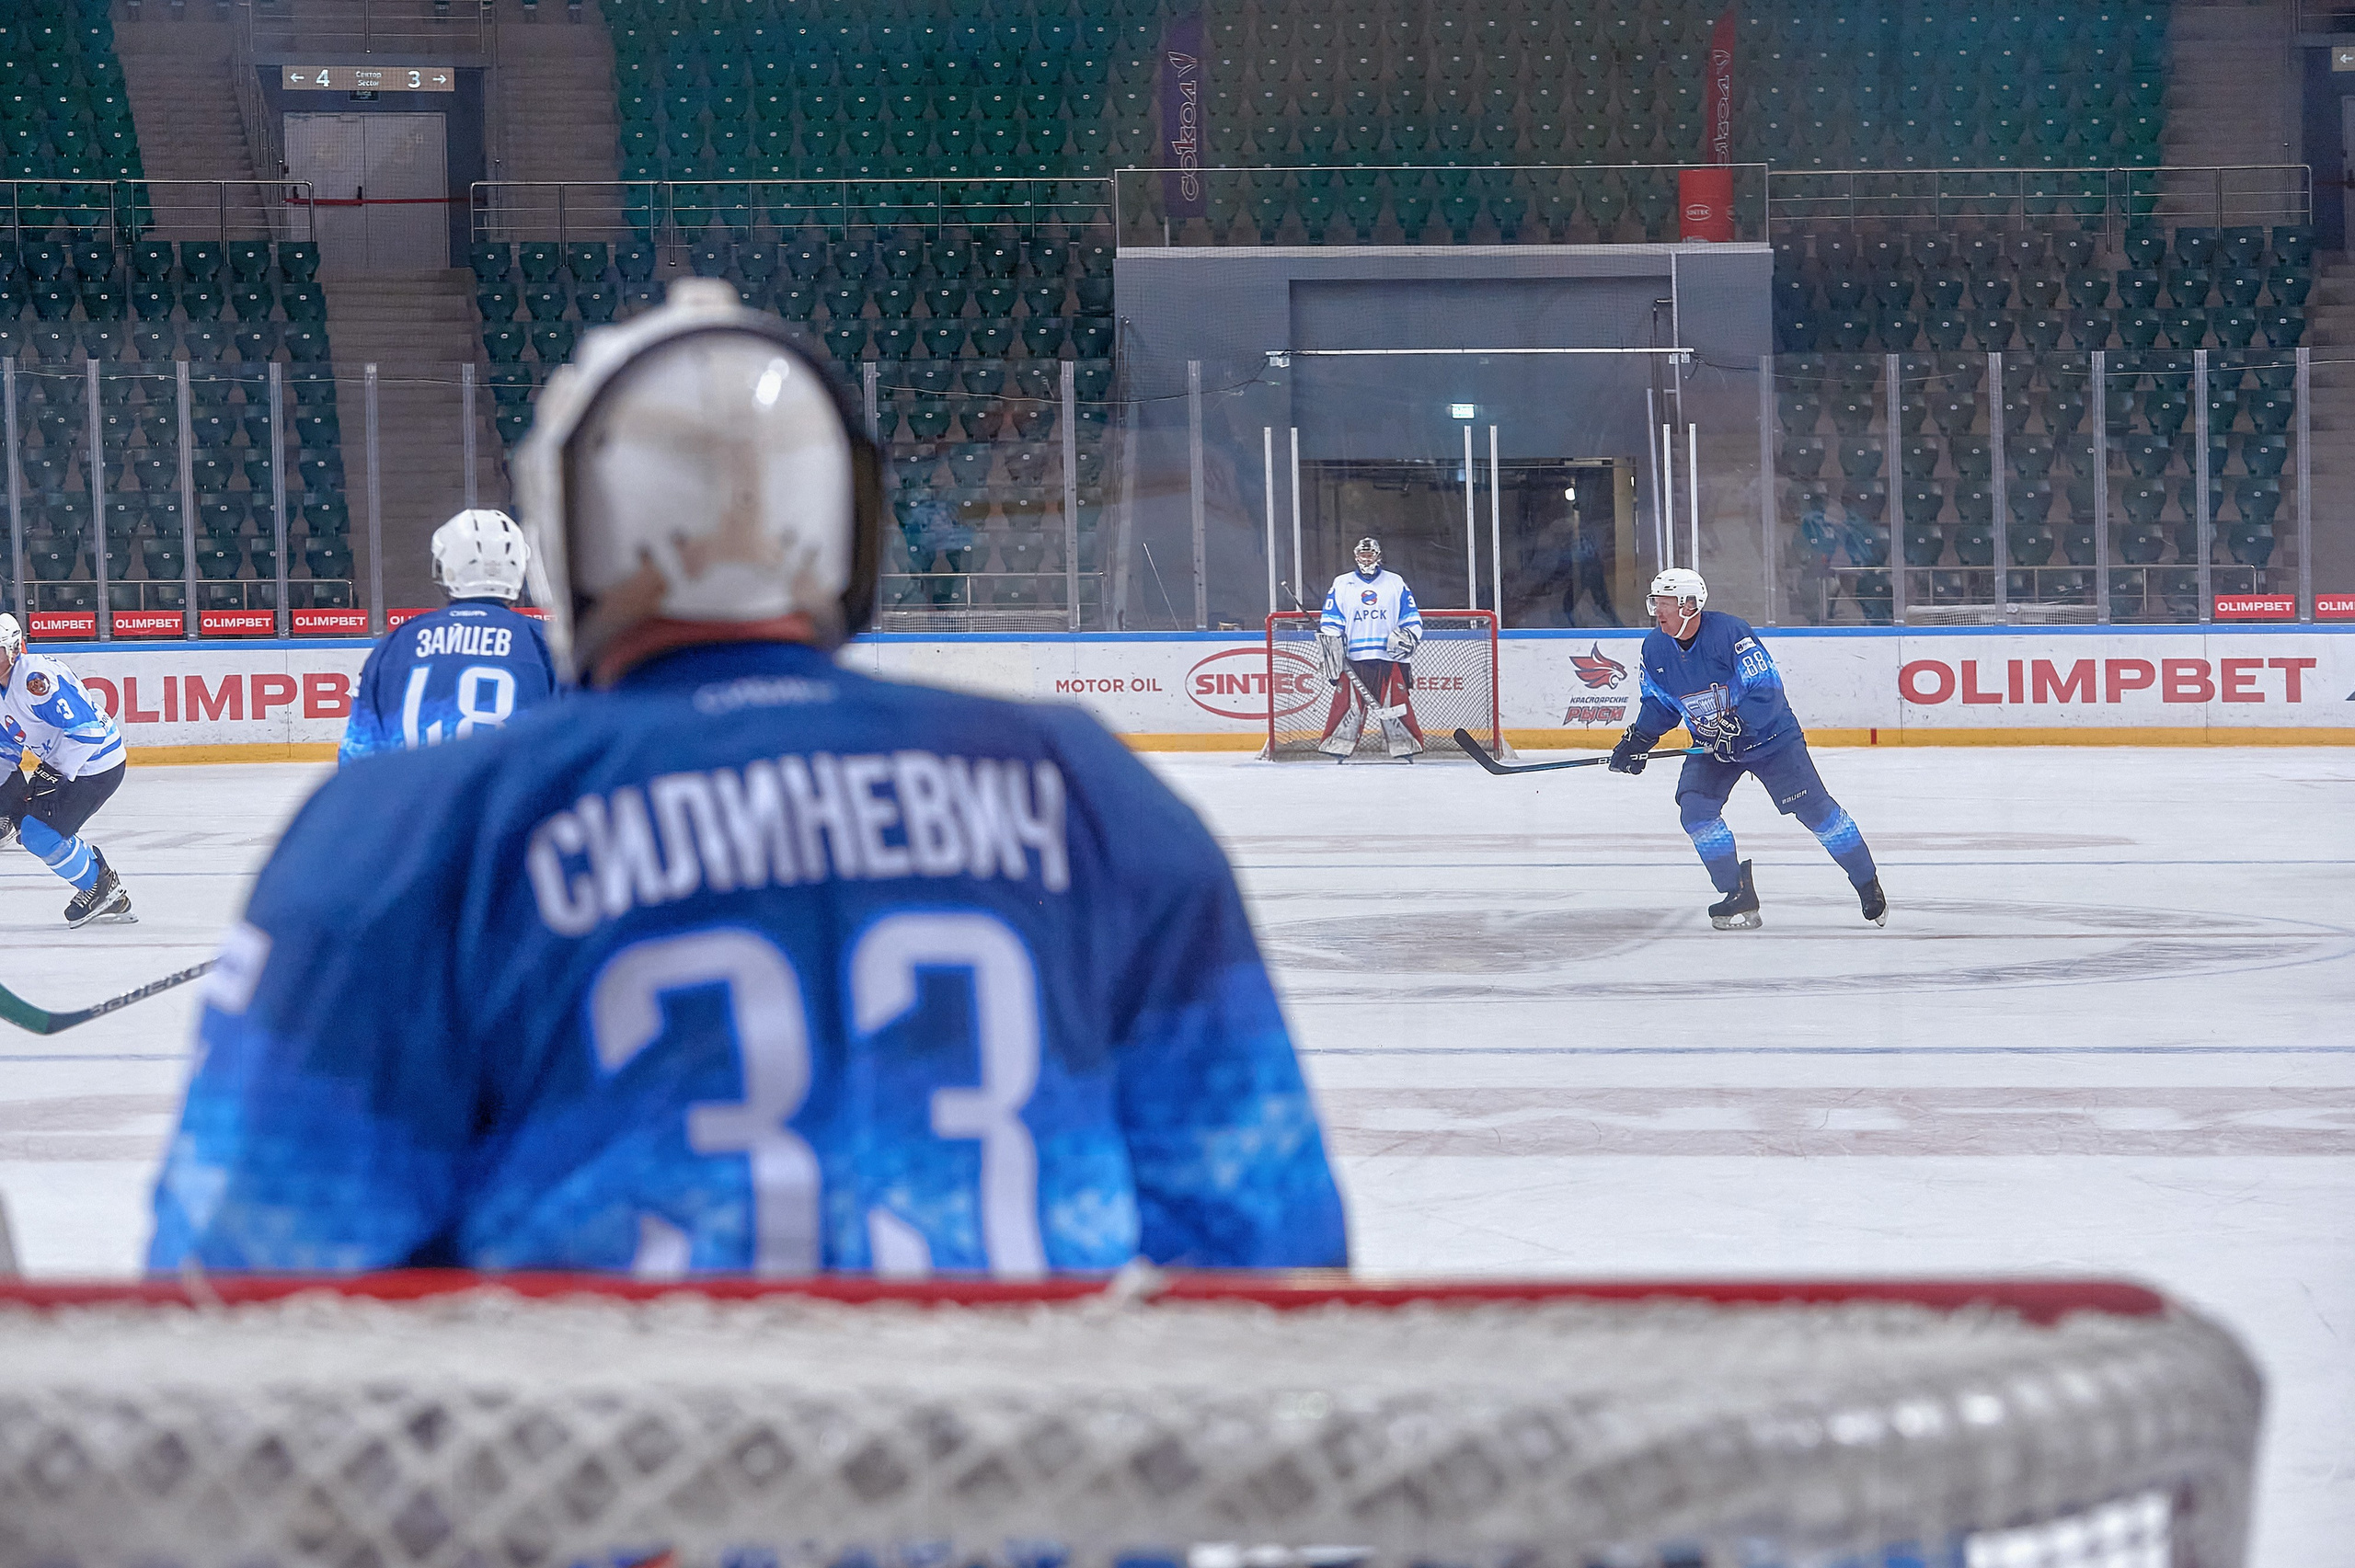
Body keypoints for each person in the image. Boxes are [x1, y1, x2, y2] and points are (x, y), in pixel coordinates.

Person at [148, 280, 1347, 1276]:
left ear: (567, 541)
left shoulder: (399, 830)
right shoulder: (1090, 792)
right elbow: (1269, 1256)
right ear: (855, 532)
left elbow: (249, 1291)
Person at [1609, 568, 1886, 931]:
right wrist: (1638, 740)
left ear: (1690, 605)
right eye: (1655, 603)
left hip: (1772, 740)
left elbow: (1766, 688)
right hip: (1714, 748)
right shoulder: (1654, 648)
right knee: (1695, 811)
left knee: (1816, 812)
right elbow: (1661, 704)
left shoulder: (1730, 633)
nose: (1658, 612)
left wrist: (1740, 724)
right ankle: (1736, 892)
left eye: (1666, 604)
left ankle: (1867, 882)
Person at [338, 509, 559, 764]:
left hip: (418, 801)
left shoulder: (396, 646)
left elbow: (357, 758)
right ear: (520, 568)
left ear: (446, 568)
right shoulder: (547, 644)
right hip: (515, 801)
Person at [0, 612, 133, 927]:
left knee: (37, 834)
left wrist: (52, 773)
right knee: (31, 825)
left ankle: (101, 886)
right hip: (68, 765)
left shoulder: (35, 680)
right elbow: (6, 750)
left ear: (14, 649)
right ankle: (100, 883)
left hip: (97, 765)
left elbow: (88, 732)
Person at [1314, 536, 1425, 756]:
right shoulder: (1342, 583)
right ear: (1356, 556)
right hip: (1354, 656)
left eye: (1370, 554)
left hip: (1389, 655)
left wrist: (1409, 635)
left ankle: (1406, 744)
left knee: (1396, 703)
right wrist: (1333, 642)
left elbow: (1411, 616)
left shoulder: (1395, 582)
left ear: (1378, 556)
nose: (1366, 558)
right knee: (1347, 704)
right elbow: (1331, 618)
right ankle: (1337, 744)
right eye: (1362, 555)